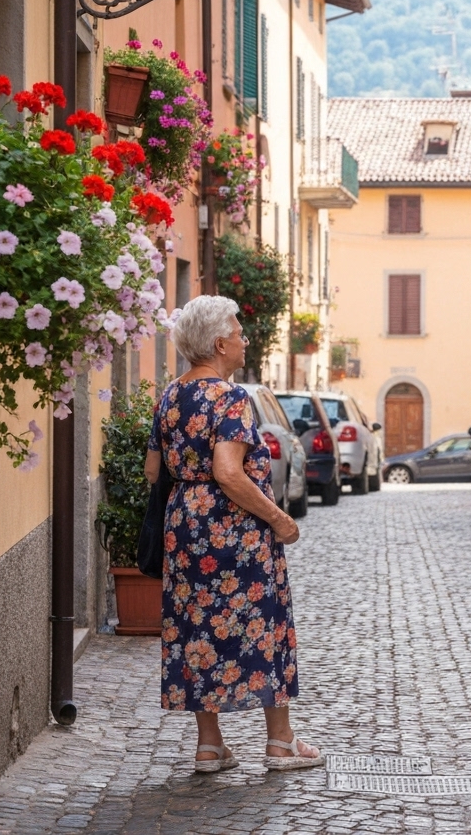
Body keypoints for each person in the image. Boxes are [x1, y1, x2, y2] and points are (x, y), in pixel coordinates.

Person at [144, 295, 322, 772]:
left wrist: (190, 480)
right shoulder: (229, 397)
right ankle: (280, 743)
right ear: (220, 343)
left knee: (196, 627)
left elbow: (151, 469)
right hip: (234, 528)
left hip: (184, 525)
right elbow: (228, 471)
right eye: (239, 333)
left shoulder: (169, 395)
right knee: (265, 622)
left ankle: (209, 746)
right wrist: (279, 518)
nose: (244, 340)